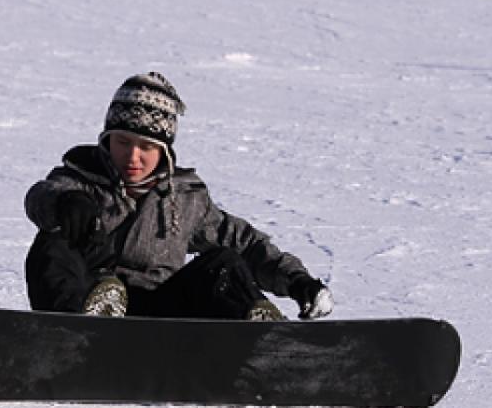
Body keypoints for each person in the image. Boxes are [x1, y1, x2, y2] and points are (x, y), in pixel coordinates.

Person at [23, 73, 334, 321]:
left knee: (223, 264)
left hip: (164, 314)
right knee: (52, 242)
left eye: (146, 147)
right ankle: (68, 329)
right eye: (123, 142)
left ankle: (256, 332)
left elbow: (247, 244)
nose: (133, 157)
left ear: (164, 151)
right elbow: (42, 195)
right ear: (107, 140)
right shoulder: (80, 179)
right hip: (90, 300)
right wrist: (64, 202)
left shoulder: (186, 198)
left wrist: (297, 282)